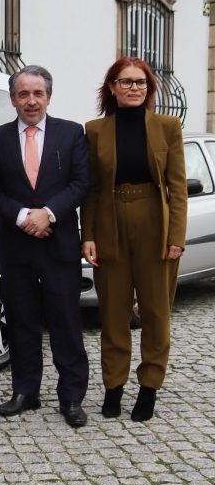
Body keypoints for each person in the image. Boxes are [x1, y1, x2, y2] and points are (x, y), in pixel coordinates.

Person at [0, 65, 91, 428]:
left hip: (59, 244)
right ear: (13, 99)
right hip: (16, 246)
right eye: (23, 94)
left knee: (65, 322)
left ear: (49, 97)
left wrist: (48, 214)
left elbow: (81, 183)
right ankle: (25, 392)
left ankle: (71, 397)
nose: (31, 101)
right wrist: (22, 217)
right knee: (21, 321)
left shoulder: (71, 133)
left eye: (38, 93)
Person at [81, 57, 186, 422]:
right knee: (113, 312)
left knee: (156, 313)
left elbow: (177, 187)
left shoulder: (167, 127)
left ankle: (149, 387)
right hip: (109, 223)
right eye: (126, 82)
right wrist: (88, 235)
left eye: (141, 82)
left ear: (149, 88)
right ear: (112, 87)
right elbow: (91, 190)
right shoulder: (95, 130)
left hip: (155, 226)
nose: (134, 88)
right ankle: (113, 387)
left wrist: (176, 236)